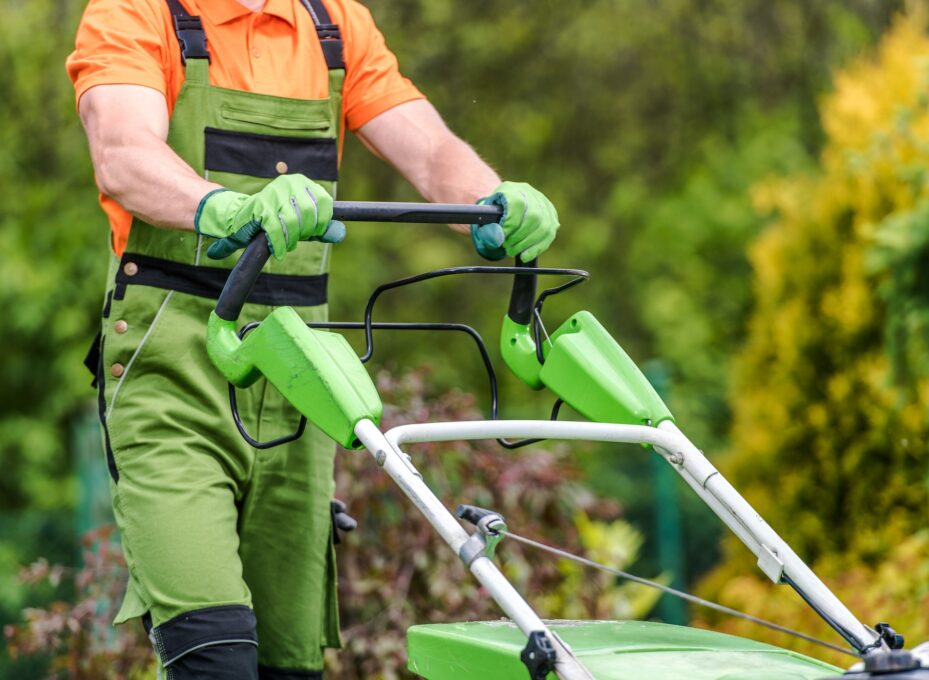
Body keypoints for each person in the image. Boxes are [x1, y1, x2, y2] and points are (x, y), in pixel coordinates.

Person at [66, 0, 560, 677]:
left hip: (299, 384)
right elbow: (122, 153)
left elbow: (431, 149)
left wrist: (495, 197)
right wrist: (222, 207)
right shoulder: (135, 11)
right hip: (172, 372)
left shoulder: (334, 24)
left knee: (288, 663)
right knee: (213, 654)